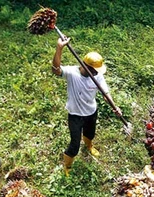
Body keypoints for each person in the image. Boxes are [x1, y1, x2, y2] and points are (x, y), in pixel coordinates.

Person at [52, 36, 121, 176]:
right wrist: (59, 48)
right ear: (85, 66)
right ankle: (68, 165)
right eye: (95, 70)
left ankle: (89, 146)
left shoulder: (98, 76)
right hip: (75, 115)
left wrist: (115, 107)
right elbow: (55, 69)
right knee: (74, 145)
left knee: (90, 133)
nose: (97, 73)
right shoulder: (72, 73)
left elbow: (105, 94)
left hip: (91, 112)